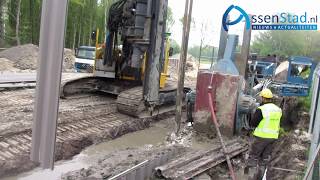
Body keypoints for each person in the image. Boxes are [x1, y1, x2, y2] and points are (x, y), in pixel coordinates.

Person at [245, 88, 282, 179]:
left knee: (254, 156)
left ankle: (250, 176)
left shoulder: (261, 109)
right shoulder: (278, 109)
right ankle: (260, 176)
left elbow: (253, 123)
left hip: (261, 137)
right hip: (273, 137)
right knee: (264, 158)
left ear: (263, 98)